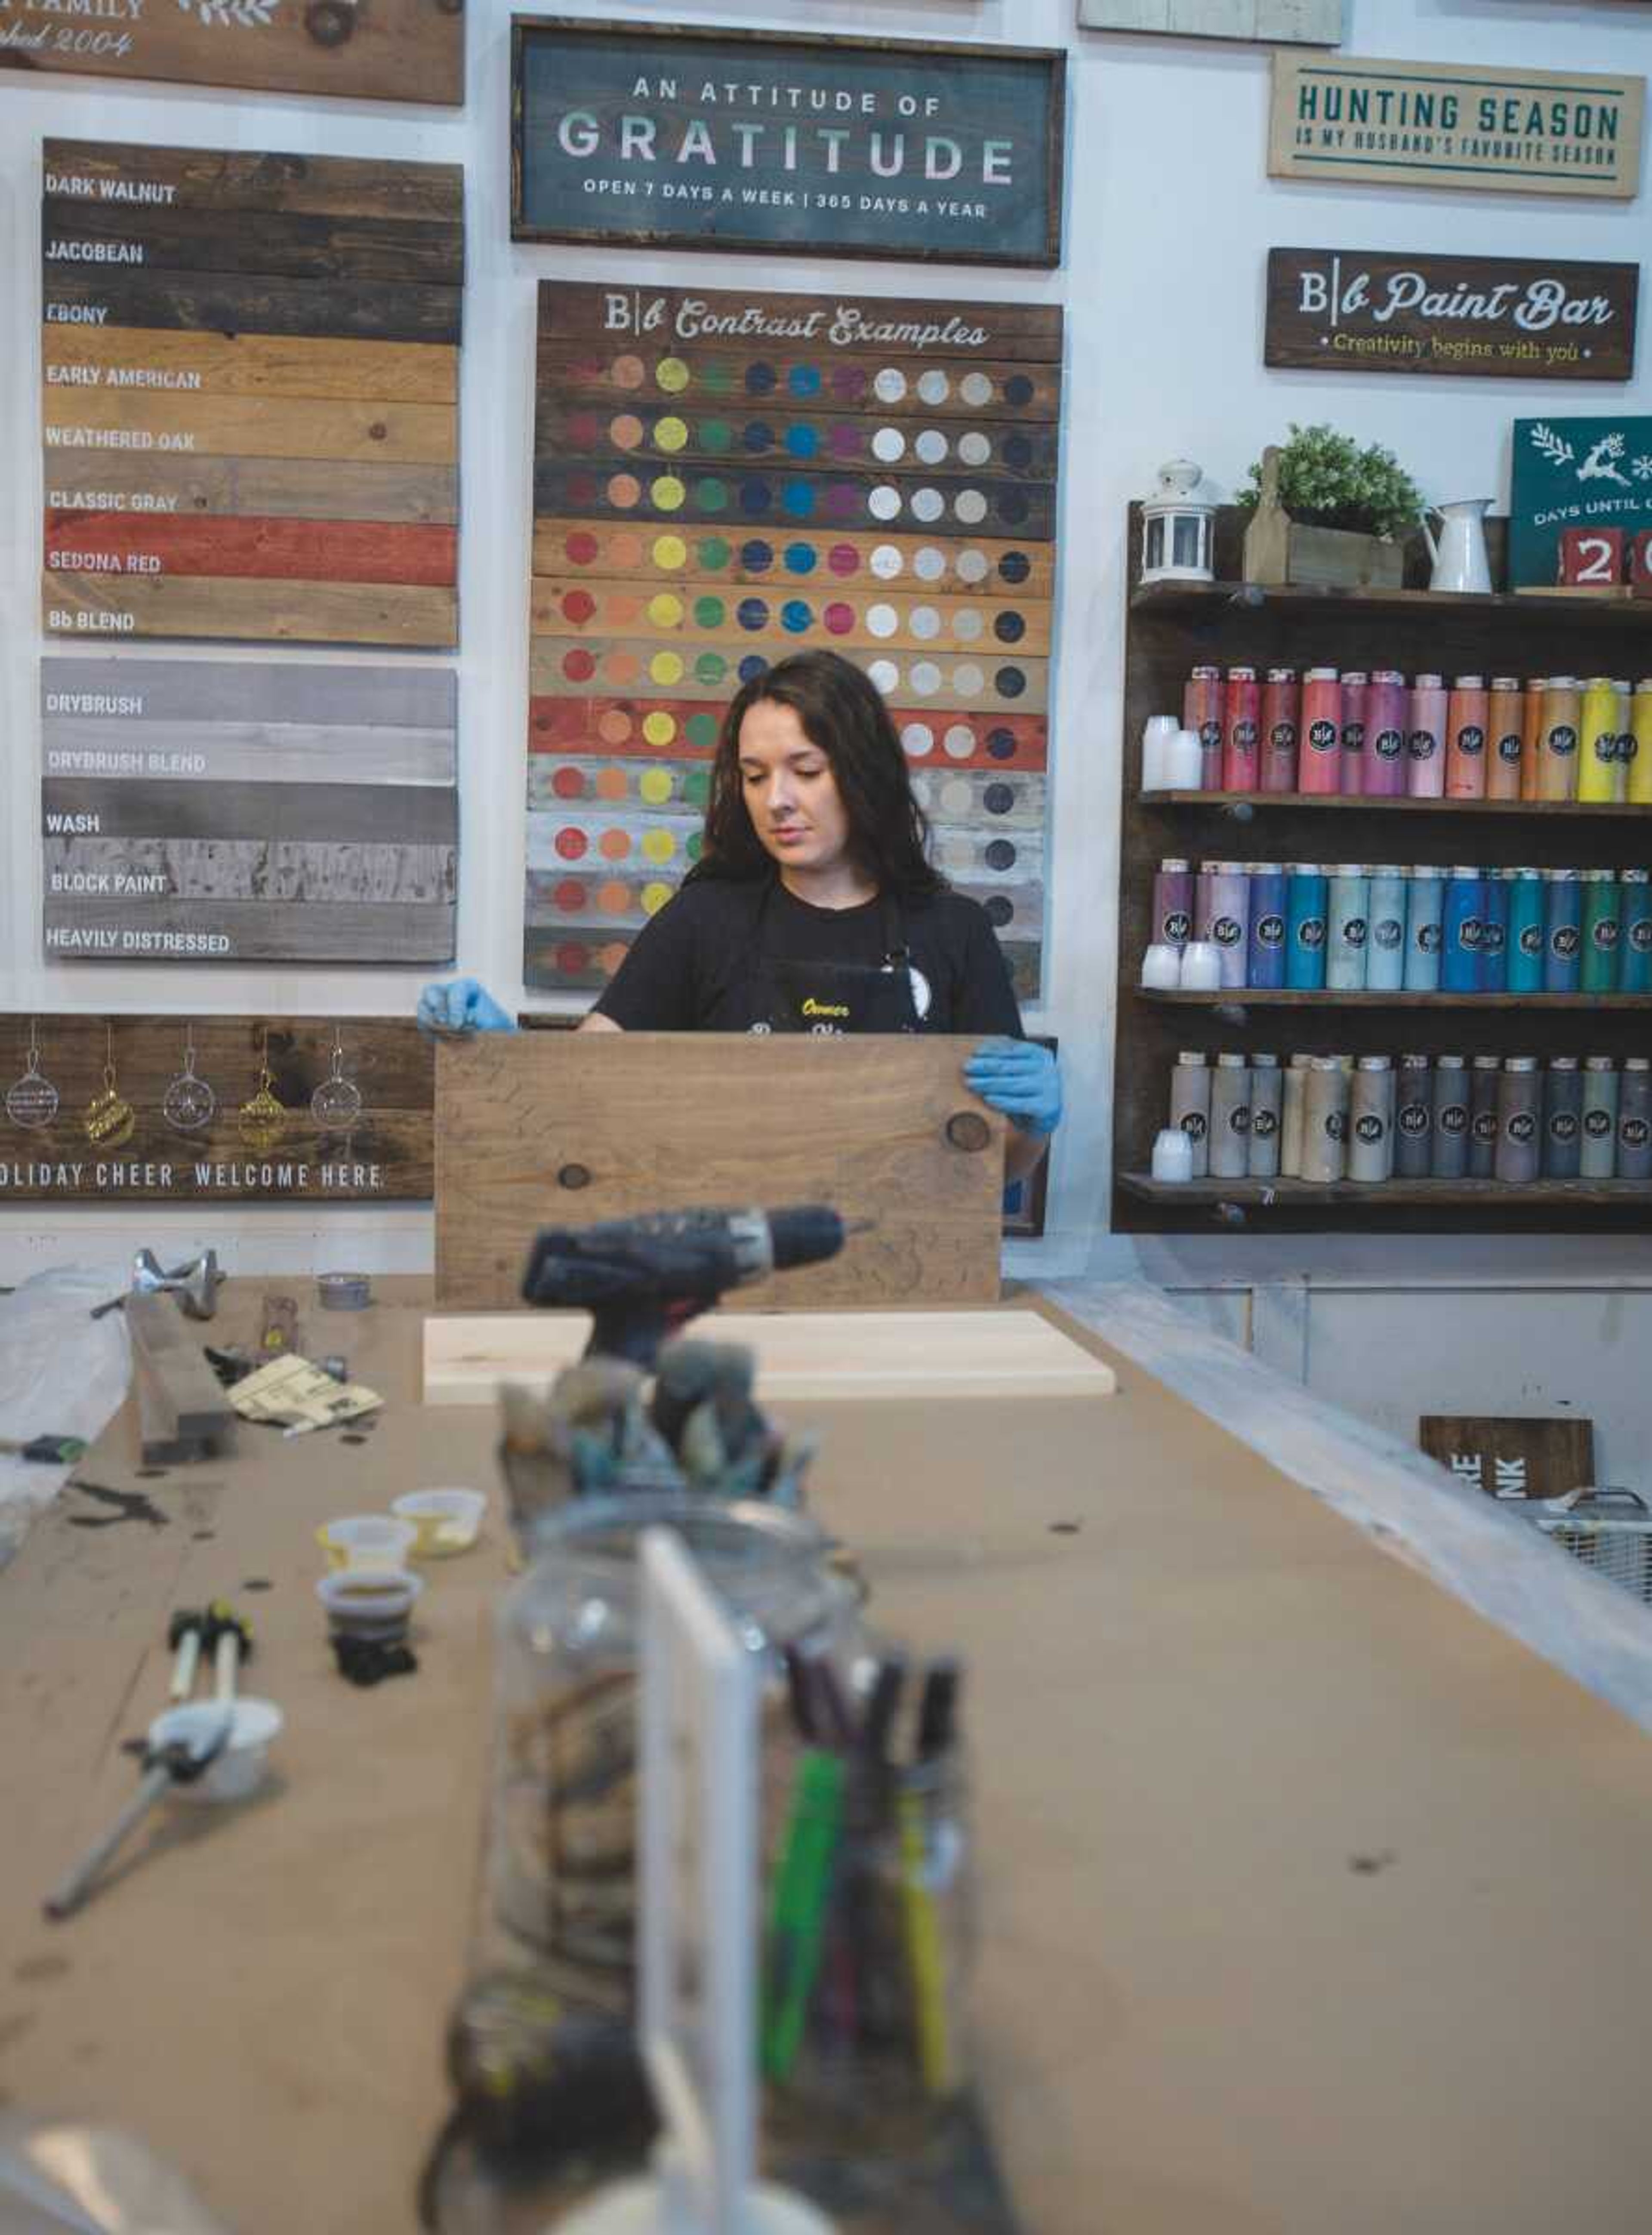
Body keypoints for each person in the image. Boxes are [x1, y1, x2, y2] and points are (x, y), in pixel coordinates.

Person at [419, 649, 1060, 1181]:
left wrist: (1032, 1124)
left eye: (805, 770)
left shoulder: (954, 931)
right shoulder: (703, 920)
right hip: (725, 1271)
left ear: (865, 773)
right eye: (754, 777)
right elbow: (583, 1094)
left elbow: (993, 1170)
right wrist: (501, 1053)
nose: (776, 800)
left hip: (899, 1279)